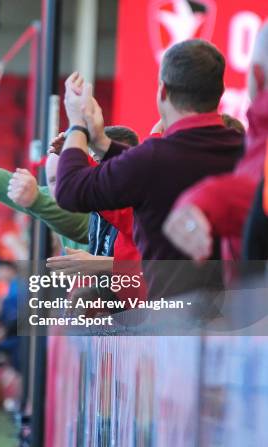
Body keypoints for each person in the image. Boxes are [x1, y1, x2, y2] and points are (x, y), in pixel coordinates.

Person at [52, 39, 244, 297]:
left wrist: (77, 125)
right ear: (218, 93)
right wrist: (102, 143)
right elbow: (165, 169)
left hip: (174, 324)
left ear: (163, 91)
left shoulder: (153, 159)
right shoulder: (247, 153)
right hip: (243, 323)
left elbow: (69, 190)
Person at [163, 25, 268, 262]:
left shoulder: (151, 157)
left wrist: (209, 197)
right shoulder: (249, 139)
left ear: (257, 77)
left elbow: (73, 191)